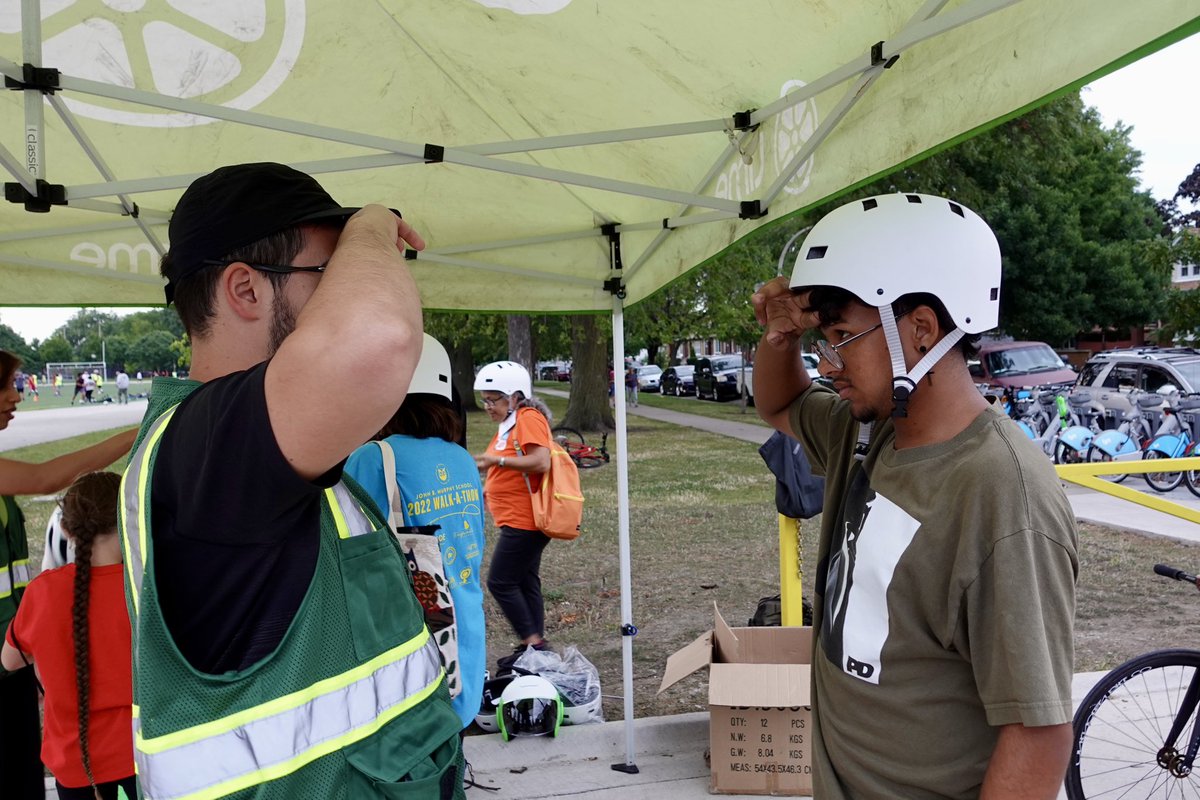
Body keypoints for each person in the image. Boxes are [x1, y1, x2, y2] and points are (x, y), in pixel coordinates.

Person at [119, 162, 464, 798]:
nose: (349, 290)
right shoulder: (209, 448)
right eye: (330, 275)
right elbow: (377, 341)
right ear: (246, 291)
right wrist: (369, 223)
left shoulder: (242, 443)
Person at [750, 193, 1078, 799]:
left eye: (843, 336)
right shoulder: (868, 429)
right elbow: (781, 404)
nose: (828, 362)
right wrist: (780, 336)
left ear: (920, 330)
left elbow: (1039, 730)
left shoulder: (1002, 492)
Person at [0, 350, 135, 800]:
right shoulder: (140, 591)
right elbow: (43, 478)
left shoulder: (47, 595)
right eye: (6, 386)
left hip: (71, 757)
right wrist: (136, 434)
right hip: (135, 757)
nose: (14, 396)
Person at [345, 334, 486, 731]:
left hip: (407, 632)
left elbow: (351, 551)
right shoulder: (461, 457)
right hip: (464, 621)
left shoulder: (373, 457)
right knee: (451, 740)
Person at [472, 361, 555, 668]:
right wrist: (486, 489)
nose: (487, 406)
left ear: (515, 396)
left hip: (526, 520)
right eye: (485, 399)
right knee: (524, 580)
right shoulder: (510, 423)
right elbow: (507, 465)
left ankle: (534, 642)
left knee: (501, 582)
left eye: (493, 399)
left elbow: (540, 461)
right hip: (516, 517)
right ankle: (535, 648)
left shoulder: (528, 418)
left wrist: (496, 461)